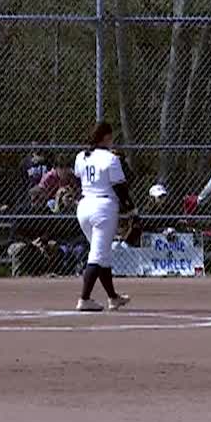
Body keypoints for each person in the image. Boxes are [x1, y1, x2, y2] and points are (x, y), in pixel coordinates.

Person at [73, 122, 134, 311]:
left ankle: (113, 297)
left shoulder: (81, 156)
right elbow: (120, 188)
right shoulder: (110, 158)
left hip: (84, 206)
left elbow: (78, 180)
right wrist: (132, 211)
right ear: (106, 137)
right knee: (98, 255)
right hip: (103, 208)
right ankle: (84, 298)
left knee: (103, 254)